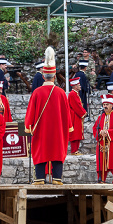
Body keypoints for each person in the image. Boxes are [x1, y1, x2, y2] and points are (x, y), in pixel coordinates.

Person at [25, 47, 72, 185]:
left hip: (41, 129)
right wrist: (68, 126)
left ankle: (39, 178)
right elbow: (66, 113)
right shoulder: (61, 93)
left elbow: (30, 112)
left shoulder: (37, 93)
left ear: (43, 76)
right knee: (57, 150)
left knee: (41, 150)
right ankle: (57, 178)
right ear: (54, 76)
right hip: (57, 130)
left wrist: (28, 126)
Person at [93, 94, 113, 183]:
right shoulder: (100, 117)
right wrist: (99, 132)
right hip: (102, 143)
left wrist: (108, 132)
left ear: (111, 105)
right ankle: (101, 179)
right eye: (104, 105)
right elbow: (95, 128)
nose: (105, 106)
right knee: (101, 162)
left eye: (107, 104)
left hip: (112, 143)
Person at [67, 77, 87, 155]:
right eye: (78, 85)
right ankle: (74, 150)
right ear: (75, 86)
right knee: (75, 133)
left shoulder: (75, 94)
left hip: (76, 116)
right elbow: (76, 106)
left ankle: (76, 150)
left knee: (77, 133)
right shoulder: (73, 94)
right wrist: (83, 113)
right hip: (75, 116)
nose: (80, 86)